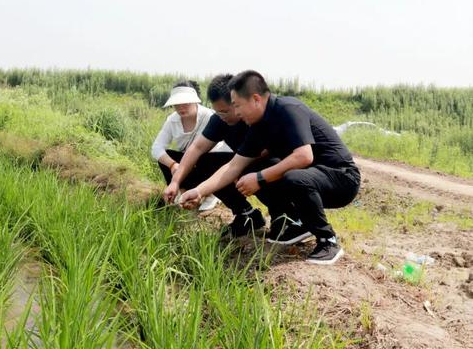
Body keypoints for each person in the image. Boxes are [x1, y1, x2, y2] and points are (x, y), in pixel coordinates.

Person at [179, 70, 361, 265]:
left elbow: (304, 156)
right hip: (312, 179)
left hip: (342, 178)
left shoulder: (288, 108)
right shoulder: (258, 127)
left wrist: (259, 178)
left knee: (291, 177)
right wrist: (199, 191)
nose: (237, 113)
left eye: (238, 106)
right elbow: (233, 166)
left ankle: (328, 240)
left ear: (256, 99)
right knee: (271, 171)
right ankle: (299, 225)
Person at [161, 74, 265, 237]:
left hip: (269, 166)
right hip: (241, 163)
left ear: (237, 102)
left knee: (261, 167)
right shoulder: (219, 120)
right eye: (218, 112)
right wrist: (175, 182)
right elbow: (196, 147)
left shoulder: (258, 118)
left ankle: (286, 216)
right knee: (204, 161)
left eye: (225, 111)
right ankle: (246, 214)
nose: (221, 115)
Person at [151, 80, 228, 211]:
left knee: (207, 160)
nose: (181, 107)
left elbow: (224, 147)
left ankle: (211, 194)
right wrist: (172, 165)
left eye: (185, 103)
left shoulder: (209, 116)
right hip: (187, 166)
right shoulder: (172, 120)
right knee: (167, 157)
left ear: (195, 101)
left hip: (209, 165)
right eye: (177, 104)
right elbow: (156, 148)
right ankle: (181, 191)